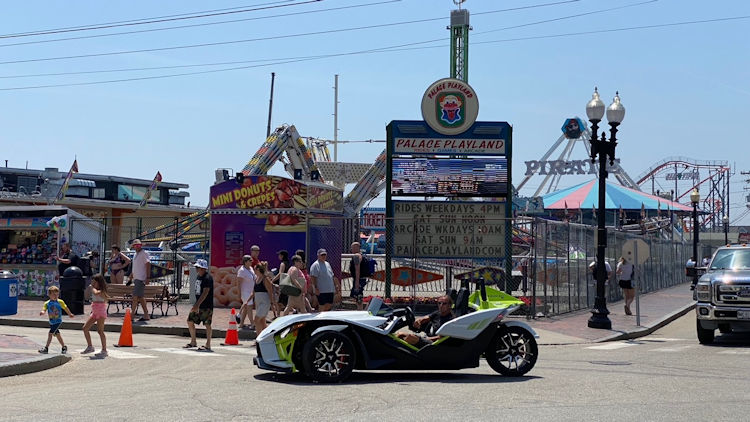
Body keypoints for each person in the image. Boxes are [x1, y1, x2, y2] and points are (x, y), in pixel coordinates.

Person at [185, 259, 214, 351]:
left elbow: (205, 292)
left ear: (203, 268)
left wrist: (197, 305)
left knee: (207, 324)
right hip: (198, 305)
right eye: (197, 268)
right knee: (190, 321)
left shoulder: (207, 278)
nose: (197, 269)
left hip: (206, 306)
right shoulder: (199, 277)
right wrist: (196, 305)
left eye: (198, 268)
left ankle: (208, 344)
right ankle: (193, 341)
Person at [38, 285, 74, 354]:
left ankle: (46, 348)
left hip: (58, 321)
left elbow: (65, 308)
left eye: (57, 294)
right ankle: (64, 347)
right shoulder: (47, 303)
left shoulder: (60, 302)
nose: (56, 296)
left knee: (50, 334)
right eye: (54, 294)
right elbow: (44, 309)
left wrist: (70, 314)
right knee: (57, 334)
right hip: (52, 321)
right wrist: (42, 312)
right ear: (49, 294)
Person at [81, 274, 110, 357]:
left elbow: (96, 293)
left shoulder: (102, 290)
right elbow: (86, 296)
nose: (93, 283)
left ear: (99, 282)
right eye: (92, 281)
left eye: (94, 282)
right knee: (85, 328)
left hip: (101, 312)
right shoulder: (93, 289)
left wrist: (91, 288)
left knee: (100, 331)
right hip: (94, 311)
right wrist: (88, 289)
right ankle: (90, 346)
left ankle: (104, 350)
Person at [129, 239, 151, 322]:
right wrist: (131, 277)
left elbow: (148, 264)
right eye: (136, 245)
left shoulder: (144, 253)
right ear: (133, 246)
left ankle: (132, 315)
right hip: (136, 278)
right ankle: (146, 314)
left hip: (141, 278)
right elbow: (135, 267)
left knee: (134, 297)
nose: (137, 246)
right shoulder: (135, 254)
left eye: (139, 245)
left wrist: (148, 277)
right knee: (140, 297)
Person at [252, 261, 275, 334]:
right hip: (258, 302)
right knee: (262, 321)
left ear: (258, 270)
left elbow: (270, 291)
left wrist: (272, 303)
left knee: (256, 320)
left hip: (265, 302)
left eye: (255, 269)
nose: (254, 271)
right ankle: (268, 337)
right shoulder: (256, 279)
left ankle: (258, 339)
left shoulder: (265, 279)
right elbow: (254, 292)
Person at [237, 255, 256, 329]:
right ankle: (252, 323)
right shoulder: (242, 270)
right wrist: (239, 293)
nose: (251, 262)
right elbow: (238, 283)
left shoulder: (251, 268)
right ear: (245, 262)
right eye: (250, 260)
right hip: (245, 292)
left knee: (245, 308)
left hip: (251, 291)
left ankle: (241, 324)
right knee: (249, 307)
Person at [349, 242, 367, 310]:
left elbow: (357, 269)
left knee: (358, 296)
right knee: (358, 296)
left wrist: (357, 282)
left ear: (357, 248)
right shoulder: (361, 255)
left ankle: (360, 310)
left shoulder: (356, 256)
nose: (351, 249)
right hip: (362, 279)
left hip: (359, 279)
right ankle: (360, 309)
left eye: (352, 247)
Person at [271, 250, 290, 314]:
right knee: (282, 301)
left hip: (283, 283)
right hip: (287, 282)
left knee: (280, 301)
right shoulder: (288, 263)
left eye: (279, 255)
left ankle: (279, 315)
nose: (278, 256)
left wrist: (272, 280)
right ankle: (278, 315)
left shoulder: (282, 264)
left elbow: (280, 274)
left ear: (282, 256)